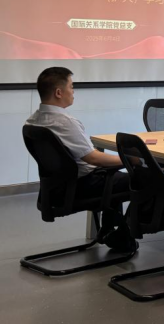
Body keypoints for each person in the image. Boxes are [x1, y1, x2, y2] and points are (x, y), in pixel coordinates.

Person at [25, 67, 136, 252]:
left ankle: (112, 230)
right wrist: (129, 161)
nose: (73, 91)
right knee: (146, 179)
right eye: (71, 86)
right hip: (83, 185)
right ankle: (125, 232)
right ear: (58, 92)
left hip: (55, 189)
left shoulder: (33, 120)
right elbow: (94, 158)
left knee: (115, 175)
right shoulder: (65, 122)